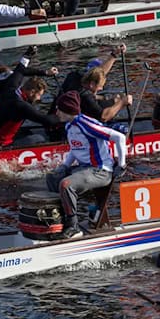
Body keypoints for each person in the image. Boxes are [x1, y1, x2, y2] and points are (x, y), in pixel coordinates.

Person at [45, 91, 127, 239]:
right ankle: (59, 219)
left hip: (101, 171)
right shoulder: (69, 126)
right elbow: (74, 149)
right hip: (84, 168)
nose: (56, 112)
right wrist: (64, 166)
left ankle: (74, 227)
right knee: (52, 177)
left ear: (68, 110)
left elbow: (119, 137)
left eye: (59, 109)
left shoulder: (86, 125)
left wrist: (121, 164)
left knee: (66, 184)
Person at [0, 52, 60, 149]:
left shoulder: (11, 89)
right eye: (39, 95)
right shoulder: (20, 105)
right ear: (31, 92)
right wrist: (66, 116)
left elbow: (20, 70)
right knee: (39, 138)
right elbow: (47, 120)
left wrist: (45, 72)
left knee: (27, 132)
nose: (39, 99)